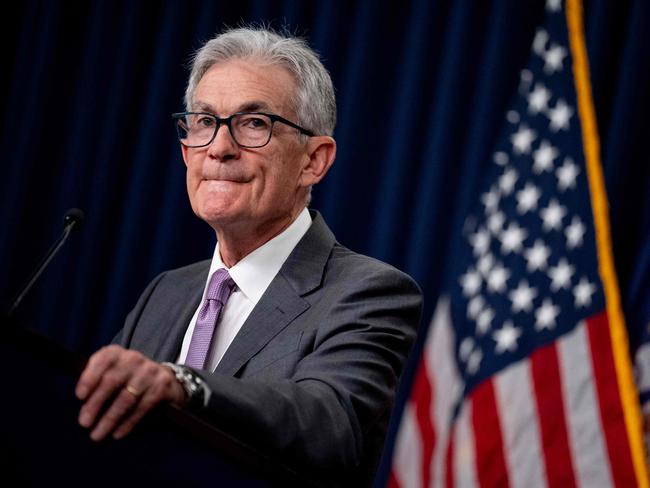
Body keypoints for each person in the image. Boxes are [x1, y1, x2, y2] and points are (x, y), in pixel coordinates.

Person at [75, 26, 422, 485]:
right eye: (204, 122)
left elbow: (328, 426)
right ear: (186, 150)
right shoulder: (166, 291)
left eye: (254, 124)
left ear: (313, 161)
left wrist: (185, 386)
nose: (219, 148)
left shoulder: (369, 292)